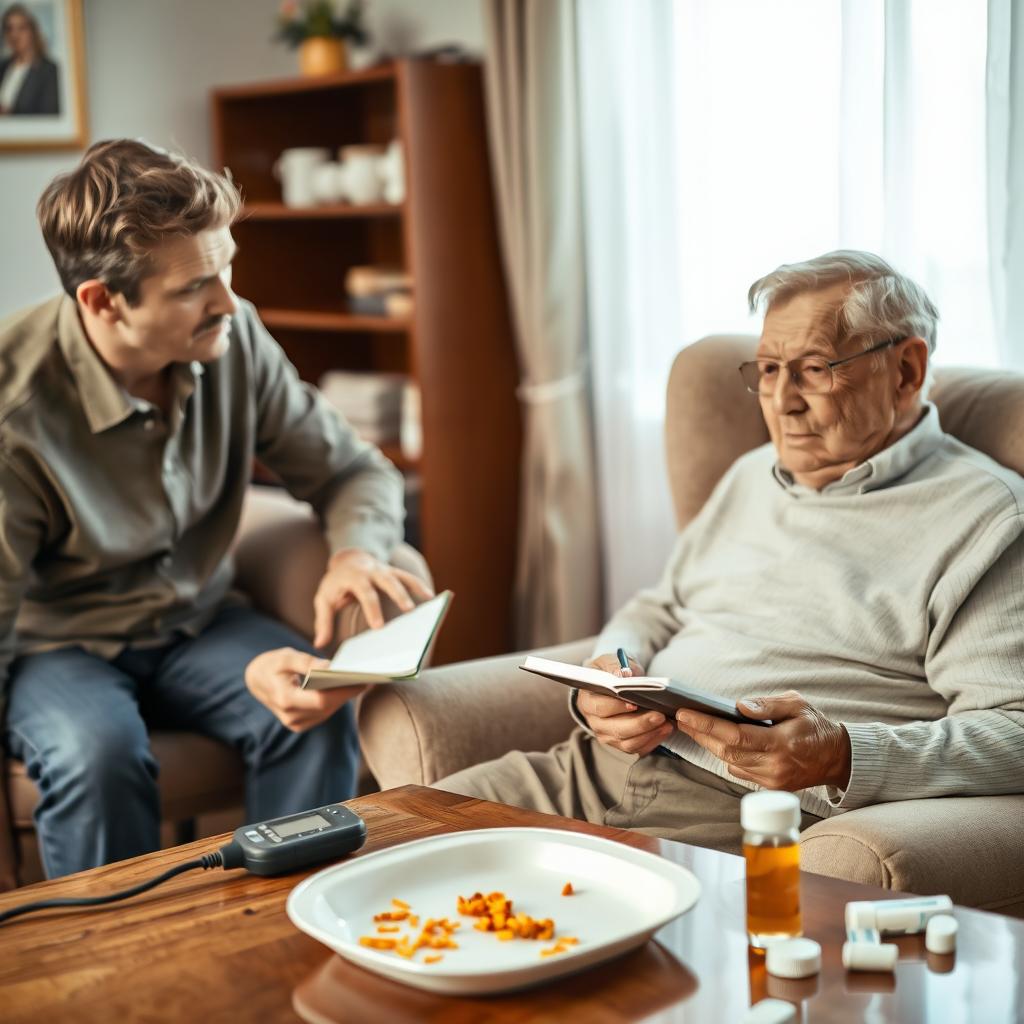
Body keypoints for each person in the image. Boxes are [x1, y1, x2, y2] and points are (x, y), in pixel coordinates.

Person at [435, 250, 1024, 854]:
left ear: (906, 370)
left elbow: (1015, 731)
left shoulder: (985, 518)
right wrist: (610, 670)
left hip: (740, 812)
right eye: (768, 369)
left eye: (814, 368)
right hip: (586, 772)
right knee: (376, 840)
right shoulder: (751, 473)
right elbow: (660, 606)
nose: (781, 401)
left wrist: (843, 753)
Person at [0, 139, 431, 878]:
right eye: (197, 285)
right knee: (97, 754)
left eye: (226, 266)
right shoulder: (16, 411)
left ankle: (283, 940)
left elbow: (354, 470)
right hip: (58, 644)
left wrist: (355, 552)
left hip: (200, 620)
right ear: (103, 301)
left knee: (312, 710)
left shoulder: (236, 337)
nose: (229, 300)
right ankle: (114, 976)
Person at [0, 4, 58, 116]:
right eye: (9, 29)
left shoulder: (49, 70)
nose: (14, 35)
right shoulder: (3, 67)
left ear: (32, 32)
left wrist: (10, 114)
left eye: (21, 28)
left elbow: (49, 115)